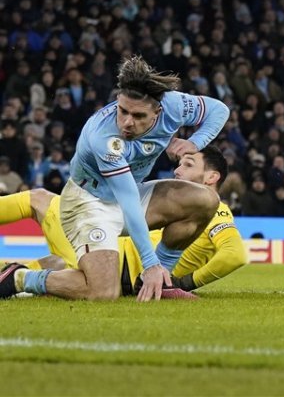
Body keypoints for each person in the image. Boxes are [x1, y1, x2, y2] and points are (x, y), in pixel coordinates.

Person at [0, 56, 230, 301]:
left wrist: (194, 142)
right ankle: (18, 277)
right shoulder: (104, 137)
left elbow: (219, 110)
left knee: (205, 199)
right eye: (123, 111)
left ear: (158, 111)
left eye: (138, 116)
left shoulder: (173, 106)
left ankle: (160, 281)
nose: (127, 122)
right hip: (88, 204)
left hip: (129, 194)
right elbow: (128, 200)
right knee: (103, 293)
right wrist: (149, 262)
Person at [0, 146, 246, 296]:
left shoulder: (216, 209)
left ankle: (16, 278)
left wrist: (185, 282)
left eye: (189, 165)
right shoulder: (182, 211)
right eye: (179, 164)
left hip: (117, 265)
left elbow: (235, 255)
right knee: (53, 258)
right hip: (116, 260)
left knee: (38, 199)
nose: (177, 171)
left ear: (212, 177)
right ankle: (14, 278)